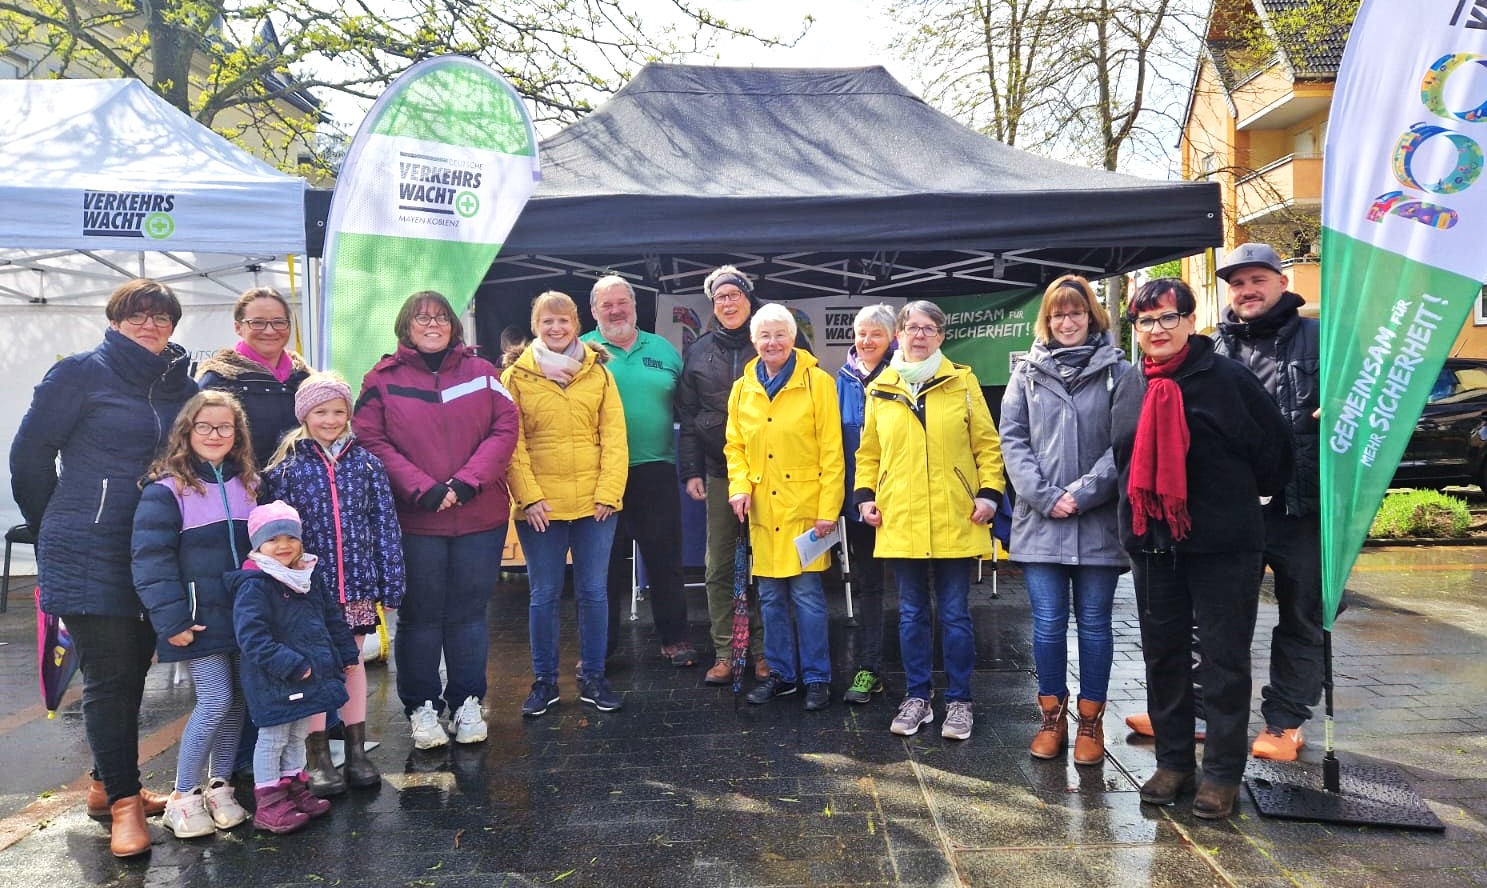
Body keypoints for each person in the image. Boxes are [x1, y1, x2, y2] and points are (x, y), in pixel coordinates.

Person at [10, 278, 196, 857]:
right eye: (137, 315)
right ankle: (123, 802)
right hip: (88, 545)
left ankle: (103, 784)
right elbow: (30, 453)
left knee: (136, 667)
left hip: (156, 547)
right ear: (115, 320)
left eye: (161, 317)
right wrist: (54, 522)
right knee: (111, 678)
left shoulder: (180, 386)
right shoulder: (79, 374)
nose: (150, 325)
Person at [1111, 278, 1292, 820]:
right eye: (1145, 321)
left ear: (1191, 321)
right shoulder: (1131, 383)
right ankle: (1173, 762)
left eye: (1168, 318)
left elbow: (1275, 456)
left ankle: (1220, 773)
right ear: (1134, 329)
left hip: (1222, 544)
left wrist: (1218, 496)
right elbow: (1120, 454)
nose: (1157, 330)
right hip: (1153, 546)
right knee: (1163, 655)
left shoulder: (1227, 379)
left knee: (1223, 659)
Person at [354, 291, 519, 749]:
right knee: (421, 617)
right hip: (416, 519)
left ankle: (467, 701)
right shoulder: (381, 379)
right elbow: (370, 437)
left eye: (441, 317)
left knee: (468, 615)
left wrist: (467, 482)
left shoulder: (484, 374)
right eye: (422, 317)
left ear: (454, 325)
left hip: (478, 516)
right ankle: (421, 707)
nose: (432, 324)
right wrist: (421, 487)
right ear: (405, 325)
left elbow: (505, 428)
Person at [854, 301, 1005, 741]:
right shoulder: (880, 387)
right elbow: (869, 453)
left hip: (955, 513)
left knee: (956, 614)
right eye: (910, 328)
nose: (918, 336)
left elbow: (987, 445)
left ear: (941, 336)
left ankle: (959, 701)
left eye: (927, 329)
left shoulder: (963, 382)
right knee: (911, 614)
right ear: (898, 335)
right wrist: (865, 498)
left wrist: (990, 493)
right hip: (901, 517)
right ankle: (917, 697)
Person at [1000, 276, 1131, 765]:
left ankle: (1091, 723)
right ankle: (1051, 718)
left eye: (1075, 313)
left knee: (1095, 624)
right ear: (1047, 322)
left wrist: (1082, 493)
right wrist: (1046, 496)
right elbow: (1012, 440)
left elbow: (1124, 443)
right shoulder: (1026, 374)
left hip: (1096, 525)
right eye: (1057, 315)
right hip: (1042, 524)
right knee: (1049, 625)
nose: (1067, 322)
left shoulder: (1119, 370)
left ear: (1092, 316)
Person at [263, 372, 406, 793]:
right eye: (321, 412)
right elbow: (275, 535)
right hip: (311, 591)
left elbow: (385, 524)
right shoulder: (285, 470)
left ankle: (358, 752)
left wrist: (391, 581)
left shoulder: (367, 465)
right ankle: (319, 756)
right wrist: (283, 582)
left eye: (338, 411)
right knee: (317, 668)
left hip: (359, 586)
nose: (330, 419)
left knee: (352, 663)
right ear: (305, 415)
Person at [1212, 243, 1323, 762]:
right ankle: (1199, 707)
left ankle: (1284, 722)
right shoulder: (1214, 349)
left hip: (1304, 509)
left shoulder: (1322, 339)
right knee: (1217, 613)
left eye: (1257, 279)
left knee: (1304, 613)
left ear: (1282, 283)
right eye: (1237, 283)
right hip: (1236, 511)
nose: (1246, 291)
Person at [132, 391, 256, 839]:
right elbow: (150, 561)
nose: (215, 435)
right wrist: (173, 621)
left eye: (225, 427)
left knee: (240, 700)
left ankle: (219, 786)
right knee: (216, 699)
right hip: (197, 619)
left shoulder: (251, 484)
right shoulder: (167, 490)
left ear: (237, 433)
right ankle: (183, 795)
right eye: (204, 426)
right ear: (187, 431)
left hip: (244, 617)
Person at [504, 290, 629, 716]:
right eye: (547, 322)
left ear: (577, 325)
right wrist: (529, 497)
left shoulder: (599, 373)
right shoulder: (516, 377)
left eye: (563, 321)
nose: (556, 329)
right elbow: (511, 444)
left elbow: (614, 437)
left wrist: (610, 493)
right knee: (544, 593)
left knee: (594, 591)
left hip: (597, 506)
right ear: (535, 326)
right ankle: (544, 683)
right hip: (542, 507)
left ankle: (593, 676)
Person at [724, 304, 844, 710]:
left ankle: (816, 678)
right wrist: (738, 486)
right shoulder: (742, 388)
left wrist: (829, 508)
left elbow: (832, 450)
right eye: (764, 336)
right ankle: (781, 674)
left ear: (793, 338)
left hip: (805, 510)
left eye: (779, 334)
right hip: (761, 510)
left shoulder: (818, 382)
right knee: (772, 598)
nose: (772, 342)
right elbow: (735, 446)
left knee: (808, 596)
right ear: (754, 341)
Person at [581, 276, 697, 668]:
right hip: (598, 475)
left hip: (655, 469)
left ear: (634, 306)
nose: (615, 311)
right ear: (594, 311)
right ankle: (600, 648)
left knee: (665, 559)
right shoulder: (581, 351)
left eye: (621, 303)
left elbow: (689, 408)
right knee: (602, 566)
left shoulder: (663, 349)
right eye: (606, 305)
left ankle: (675, 639)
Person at [228, 501, 358, 835]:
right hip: (276, 679)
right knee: (272, 738)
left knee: (299, 733)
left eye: (289, 537)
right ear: (258, 545)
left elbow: (331, 619)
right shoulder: (255, 584)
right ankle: (269, 801)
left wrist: (345, 653)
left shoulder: (306, 577)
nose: (282, 545)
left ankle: (292, 787)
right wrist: (292, 665)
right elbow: (252, 638)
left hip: (308, 675)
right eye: (272, 540)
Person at [678, 265, 767, 685]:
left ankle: (768, 652)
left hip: (772, 473)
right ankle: (727, 651)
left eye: (734, 295)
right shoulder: (697, 350)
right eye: (720, 298)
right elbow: (688, 414)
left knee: (770, 565)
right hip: (718, 472)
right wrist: (691, 469)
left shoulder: (772, 337)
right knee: (718, 566)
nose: (728, 303)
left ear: (749, 299)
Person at [835, 304, 897, 705]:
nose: (867, 340)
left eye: (876, 332)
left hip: (905, 499)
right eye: (861, 332)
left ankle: (920, 674)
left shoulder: (904, 375)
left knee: (913, 587)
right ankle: (870, 667)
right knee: (870, 584)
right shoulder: (837, 382)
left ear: (892, 337)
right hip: (860, 502)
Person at [197, 287, 313, 467]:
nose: (269, 331)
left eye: (279, 322)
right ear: (238, 327)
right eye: (257, 323)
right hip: (244, 489)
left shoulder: (304, 378)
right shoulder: (219, 381)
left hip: (302, 490)